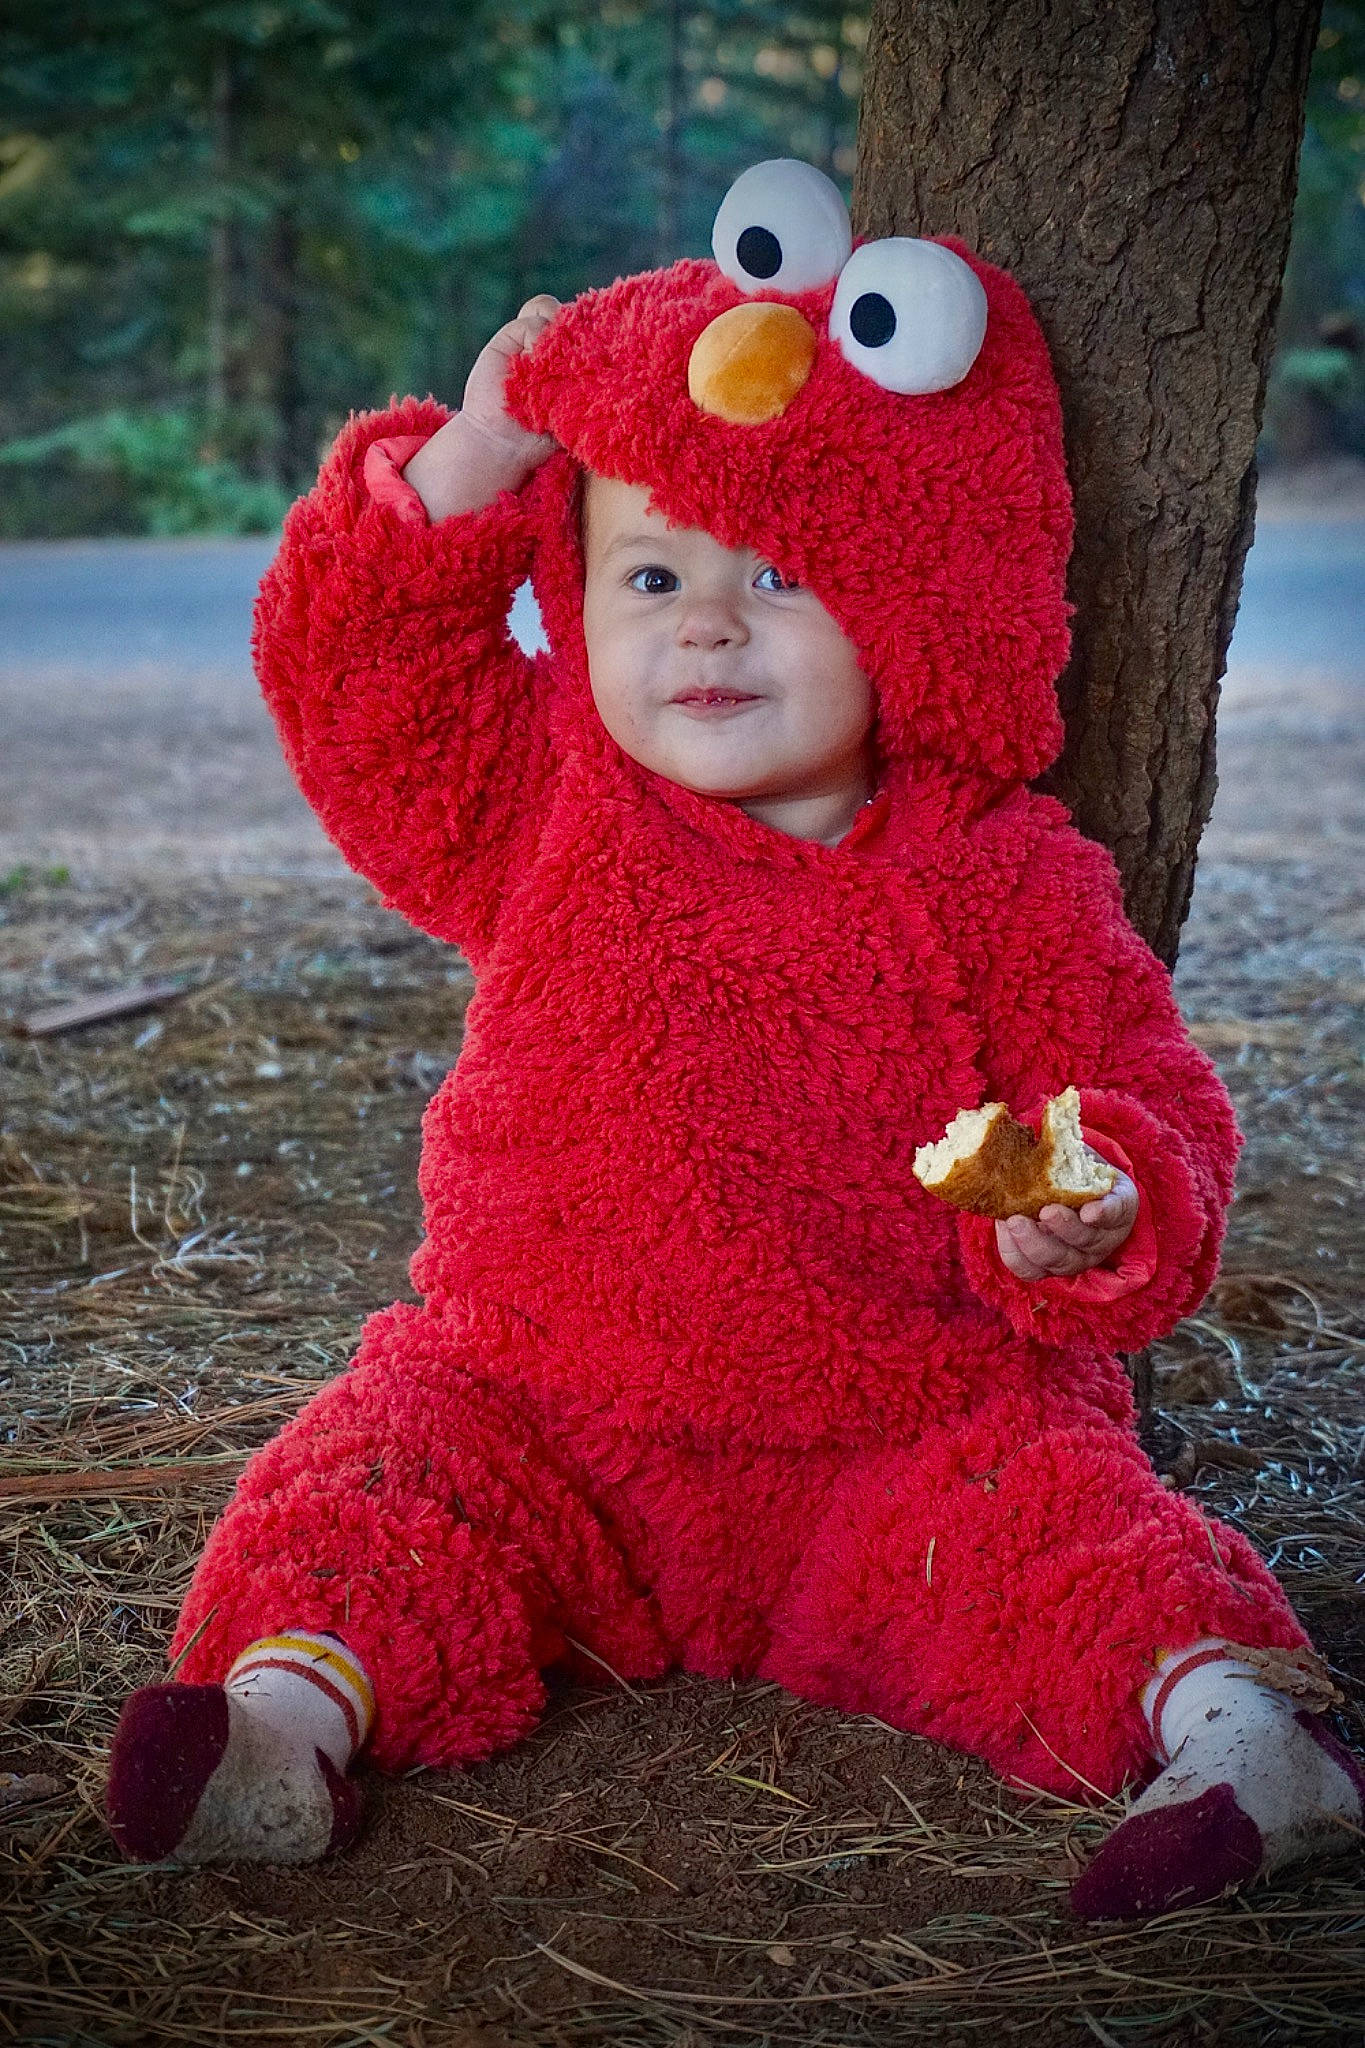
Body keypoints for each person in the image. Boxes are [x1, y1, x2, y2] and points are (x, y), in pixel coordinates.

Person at [106, 161, 1362, 1917]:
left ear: (908, 595)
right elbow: (361, 687)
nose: (704, 621)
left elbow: (1146, 1094)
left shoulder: (1003, 874)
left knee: (1068, 1537)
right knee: (379, 1482)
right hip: (546, 1395)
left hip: (896, 1430)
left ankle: (1238, 1736)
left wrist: (1096, 1207)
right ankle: (280, 1726)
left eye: (778, 567)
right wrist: (468, 462)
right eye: (647, 573)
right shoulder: (547, 799)